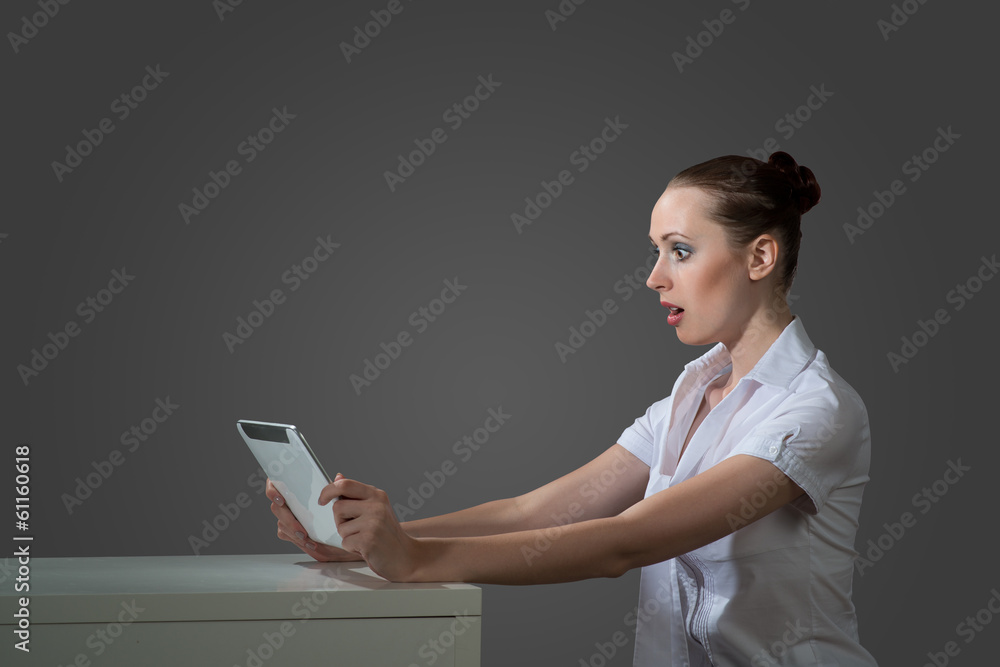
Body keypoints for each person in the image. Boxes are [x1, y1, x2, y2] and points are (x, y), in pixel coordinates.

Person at [265, 151, 878, 666]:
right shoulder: (687, 398)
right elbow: (533, 513)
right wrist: (370, 543)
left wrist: (415, 559)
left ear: (760, 258)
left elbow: (626, 542)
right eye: (656, 251)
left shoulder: (817, 412)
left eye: (680, 251)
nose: (655, 278)